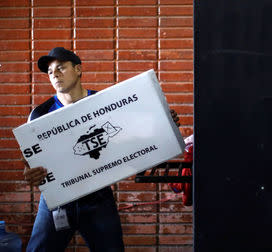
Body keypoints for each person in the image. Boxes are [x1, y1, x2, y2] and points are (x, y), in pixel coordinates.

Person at [23, 47, 180, 251]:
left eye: (60, 68)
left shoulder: (105, 104)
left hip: (97, 198)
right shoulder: (39, 115)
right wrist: (29, 174)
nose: (54, 75)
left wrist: (165, 122)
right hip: (56, 202)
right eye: (50, 72)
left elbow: (137, 135)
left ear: (78, 69)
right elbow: (28, 163)